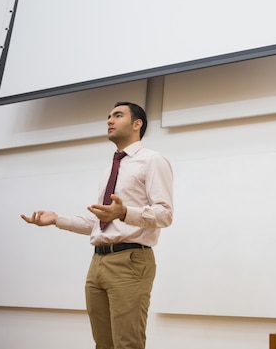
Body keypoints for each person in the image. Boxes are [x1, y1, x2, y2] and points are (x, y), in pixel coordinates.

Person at [21, 101, 173, 349]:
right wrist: (56, 219)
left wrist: (125, 212)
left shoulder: (152, 160)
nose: (109, 121)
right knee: (103, 344)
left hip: (130, 261)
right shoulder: (111, 168)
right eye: (109, 116)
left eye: (118, 115)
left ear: (137, 124)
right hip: (98, 263)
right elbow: (100, 222)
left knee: (128, 344)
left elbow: (164, 214)